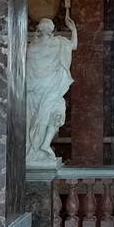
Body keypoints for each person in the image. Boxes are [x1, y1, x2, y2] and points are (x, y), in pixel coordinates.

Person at [26, 16, 78, 164]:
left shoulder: (32, 46)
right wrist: (73, 29)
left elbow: (28, 69)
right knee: (55, 112)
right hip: (49, 87)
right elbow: (74, 45)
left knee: (44, 115)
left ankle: (42, 145)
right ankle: (39, 147)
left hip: (35, 88)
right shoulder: (58, 43)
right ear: (51, 29)